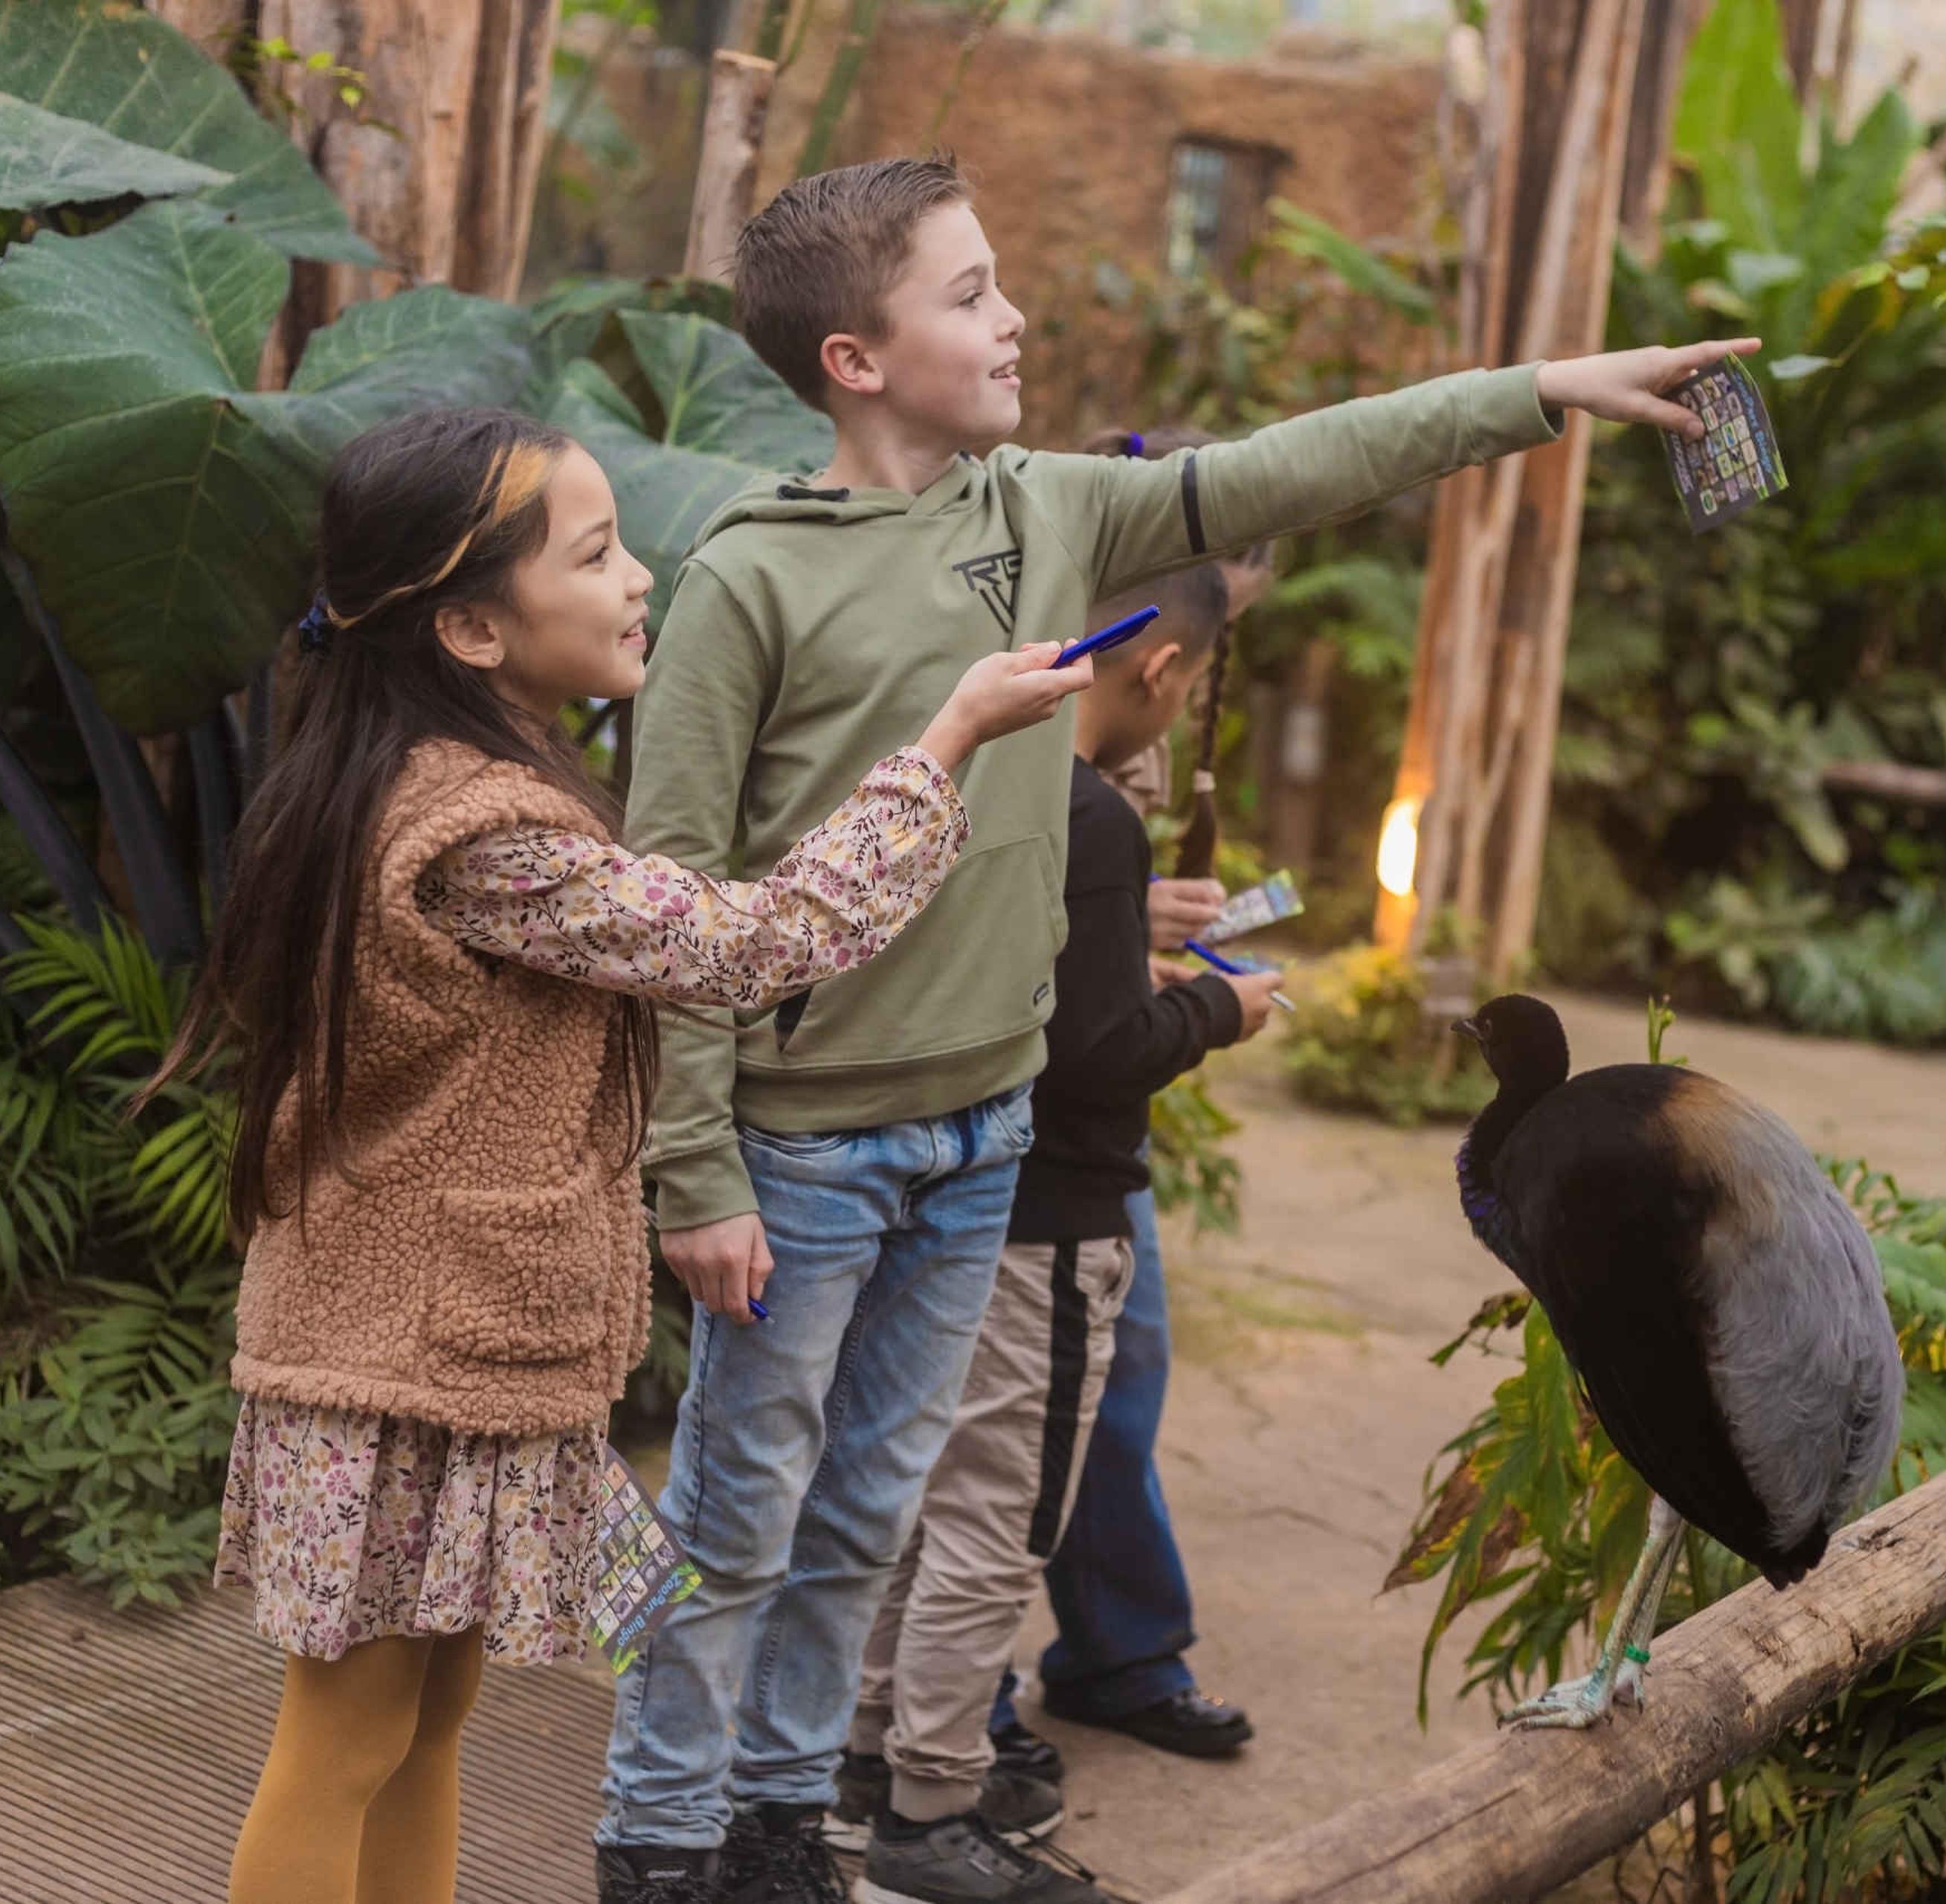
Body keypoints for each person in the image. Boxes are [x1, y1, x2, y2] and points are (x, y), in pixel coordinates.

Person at [595, 150, 1758, 1904]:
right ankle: (657, 1840)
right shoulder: (745, 582)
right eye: (970, 292)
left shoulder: (1042, 510)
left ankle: (775, 1827)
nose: (1015, 317)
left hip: (983, 1132)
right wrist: (694, 1169)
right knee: (738, 1519)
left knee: (863, 1520)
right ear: (854, 356)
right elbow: (671, 899)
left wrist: (1546, 392)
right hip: (804, 1143)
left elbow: (1296, 461)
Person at [142, 404, 1083, 1904]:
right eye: (595, 554)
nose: (643, 576)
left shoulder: (442, 779)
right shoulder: (480, 835)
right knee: (348, 1731)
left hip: (455, 1346)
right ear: (468, 623)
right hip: (401, 1360)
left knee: (427, 1719)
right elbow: (758, 941)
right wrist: (947, 739)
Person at [836, 562, 1278, 1904]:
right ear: (1160, 671)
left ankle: (872, 1753)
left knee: (923, 1492)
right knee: (998, 1519)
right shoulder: (1094, 818)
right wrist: (1225, 1012)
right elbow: (1092, 1056)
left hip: (943, 1194)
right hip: (1051, 1218)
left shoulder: (969, 773)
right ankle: (930, 1808)